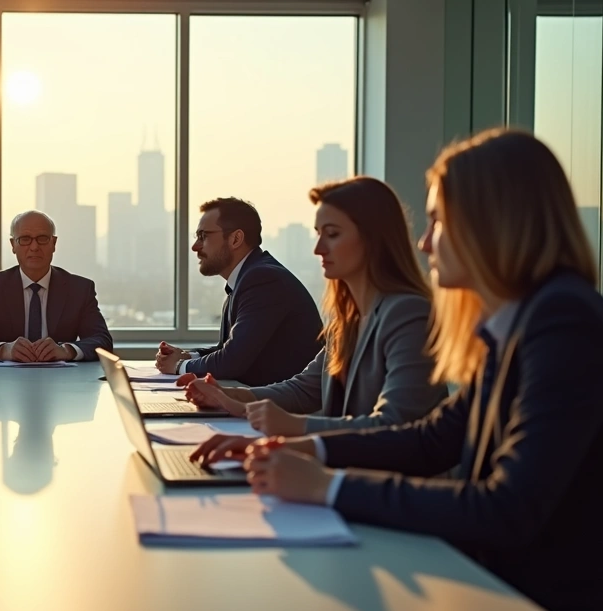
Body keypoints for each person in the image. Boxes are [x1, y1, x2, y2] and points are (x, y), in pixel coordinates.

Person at [194, 129, 603, 611]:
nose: (425, 243)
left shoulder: (563, 323)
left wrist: (327, 485)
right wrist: (298, 449)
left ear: (492, 222)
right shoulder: (519, 325)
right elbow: (432, 439)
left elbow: (506, 507)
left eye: (438, 221)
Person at [179, 177, 447, 436]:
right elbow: (305, 389)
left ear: (373, 239)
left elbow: (394, 425)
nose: (318, 249)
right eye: (318, 234)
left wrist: (294, 427)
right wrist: (228, 396)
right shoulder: (347, 319)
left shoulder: (408, 313)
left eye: (332, 234)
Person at [156, 197, 321, 385]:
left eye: (203, 236)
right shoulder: (245, 279)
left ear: (235, 239)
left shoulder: (263, 279)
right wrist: (187, 355)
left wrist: (179, 366)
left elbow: (231, 361)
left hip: (287, 401)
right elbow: (227, 349)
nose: (195, 246)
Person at [0, 210, 113, 362]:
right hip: (7, 377)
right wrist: (3, 350)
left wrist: (66, 351)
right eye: (25, 239)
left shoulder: (79, 289)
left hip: (62, 376)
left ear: (54, 243)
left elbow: (102, 341)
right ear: (13, 245)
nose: (34, 247)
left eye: (42, 239)